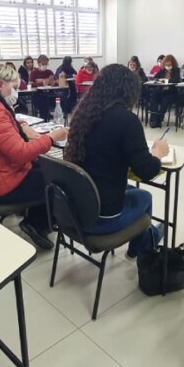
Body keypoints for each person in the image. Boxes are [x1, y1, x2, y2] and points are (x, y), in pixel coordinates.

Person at [0, 64, 68, 249]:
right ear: (0, 85)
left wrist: (21, 124)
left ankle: (36, 218)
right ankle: (37, 223)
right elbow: (21, 153)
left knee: (44, 165)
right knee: (58, 177)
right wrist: (51, 138)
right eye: (15, 88)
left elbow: (4, 122)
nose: (16, 93)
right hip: (3, 183)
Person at [65, 64, 166, 259]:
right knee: (145, 196)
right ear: (129, 91)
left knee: (131, 190)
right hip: (102, 217)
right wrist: (158, 154)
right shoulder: (127, 120)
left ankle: (147, 239)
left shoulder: (82, 114)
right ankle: (144, 246)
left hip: (77, 207)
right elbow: (146, 171)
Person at [150, 54, 180, 127]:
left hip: (171, 92)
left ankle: (159, 120)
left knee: (165, 99)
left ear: (173, 63)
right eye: (166, 65)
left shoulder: (176, 70)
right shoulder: (162, 70)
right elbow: (155, 78)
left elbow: (176, 80)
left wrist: (167, 80)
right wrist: (160, 79)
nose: (168, 66)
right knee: (153, 96)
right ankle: (154, 118)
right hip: (161, 91)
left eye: (169, 65)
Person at [29, 55, 56, 120]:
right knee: (43, 101)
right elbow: (31, 85)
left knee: (60, 98)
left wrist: (53, 82)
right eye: (43, 64)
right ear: (38, 64)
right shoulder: (34, 73)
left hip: (50, 94)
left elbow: (55, 82)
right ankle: (44, 119)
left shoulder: (49, 72)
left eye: (46, 64)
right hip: (38, 95)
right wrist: (41, 83)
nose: (45, 65)